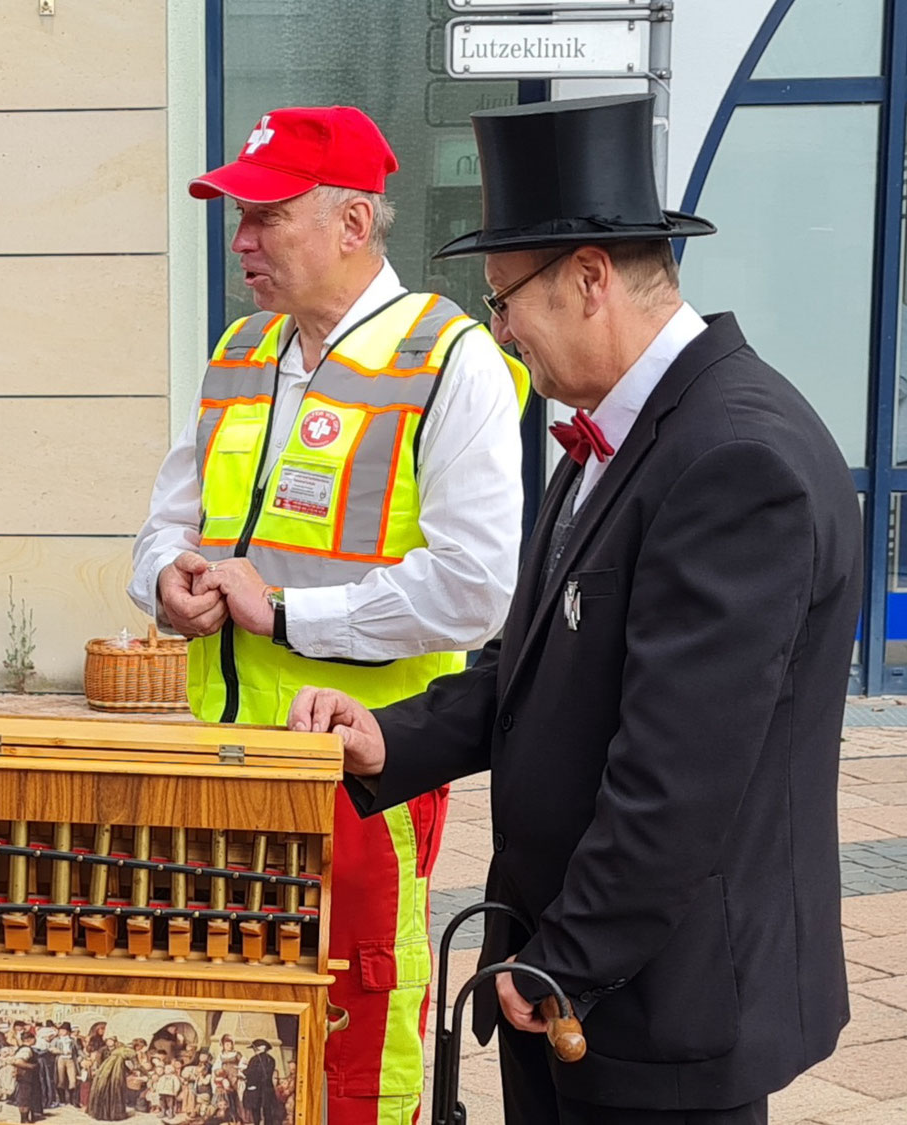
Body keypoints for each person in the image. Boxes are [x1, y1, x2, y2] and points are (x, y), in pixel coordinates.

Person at [291, 94, 856, 1125]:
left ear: (589, 279)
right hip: (573, 982)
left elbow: (678, 773)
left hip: (650, 1005)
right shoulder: (619, 429)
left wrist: (562, 963)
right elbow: (540, 662)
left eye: (505, 301)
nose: (500, 335)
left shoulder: (732, 458)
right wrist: (390, 736)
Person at [130, 104, 529, 1125]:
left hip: (361, 775)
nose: (241, 241)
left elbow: (475, 587)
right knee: (222, 1032)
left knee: (355, 1024)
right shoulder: (239, 351)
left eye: (265, 215)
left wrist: (289, 616)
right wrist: (163, 585)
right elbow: (165, 524)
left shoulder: (448, 358)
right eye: (236, 215)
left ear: (354, 224)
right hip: (222, 765)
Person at [242, 1041, 282, 1125]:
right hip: (267, 1088)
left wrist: (244, 1071)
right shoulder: (271, 1059)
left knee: (256, 1109)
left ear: (262, 1048)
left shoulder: (255, 1059)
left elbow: (253, 1073)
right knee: (267, 1109)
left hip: (256, 1088)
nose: (254, 1050)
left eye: (255, 1048)